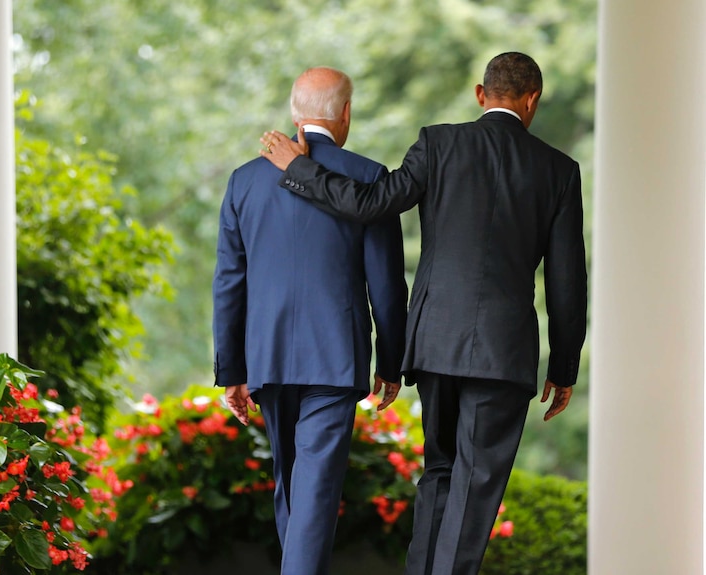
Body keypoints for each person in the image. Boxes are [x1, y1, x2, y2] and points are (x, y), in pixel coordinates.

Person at [259, 52, 587, 575]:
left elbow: (369, 205)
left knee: (439, 472)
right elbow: (567, 280)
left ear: (481, 95)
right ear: (533, 101)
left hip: (435, 341)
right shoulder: (559, 171)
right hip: (503, 354)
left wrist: (298, 168)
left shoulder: (438, 142)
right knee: (476, 483)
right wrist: (564, 366)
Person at [212, 66, 408, 575]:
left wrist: (231, 369)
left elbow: (229, 282)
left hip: (268, 357)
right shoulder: (369, 177)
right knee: (313, 495)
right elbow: (386, 284)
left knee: (293, 489)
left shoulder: (244, 181)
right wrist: (392, 361)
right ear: (345, 114)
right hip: (335, 359)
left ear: (295, 112)